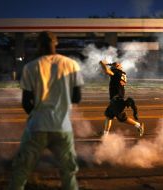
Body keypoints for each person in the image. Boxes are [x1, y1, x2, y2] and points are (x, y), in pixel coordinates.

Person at [8, 31, 84, 190]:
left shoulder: (31, 67)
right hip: (62, 127)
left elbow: (25, 102)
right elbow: (77, 98)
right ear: (56, 43)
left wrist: (37, 113)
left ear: (39, 45)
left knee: (20, 170)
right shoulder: (71, 64)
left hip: (37, 126)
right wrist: (62, 102)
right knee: (68, 172)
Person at [99, 60, 144, 136]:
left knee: (122, 118)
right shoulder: (121, 73)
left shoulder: (117, 72)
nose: (113, 65)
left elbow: (107, 71)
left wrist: (102, 63)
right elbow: (109, 70)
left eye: (115, 65)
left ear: (118, 67)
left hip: (117, 100)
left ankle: (139, 126)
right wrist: (109, 65)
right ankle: (105, 135)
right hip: (115, 100)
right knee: (109, 116)